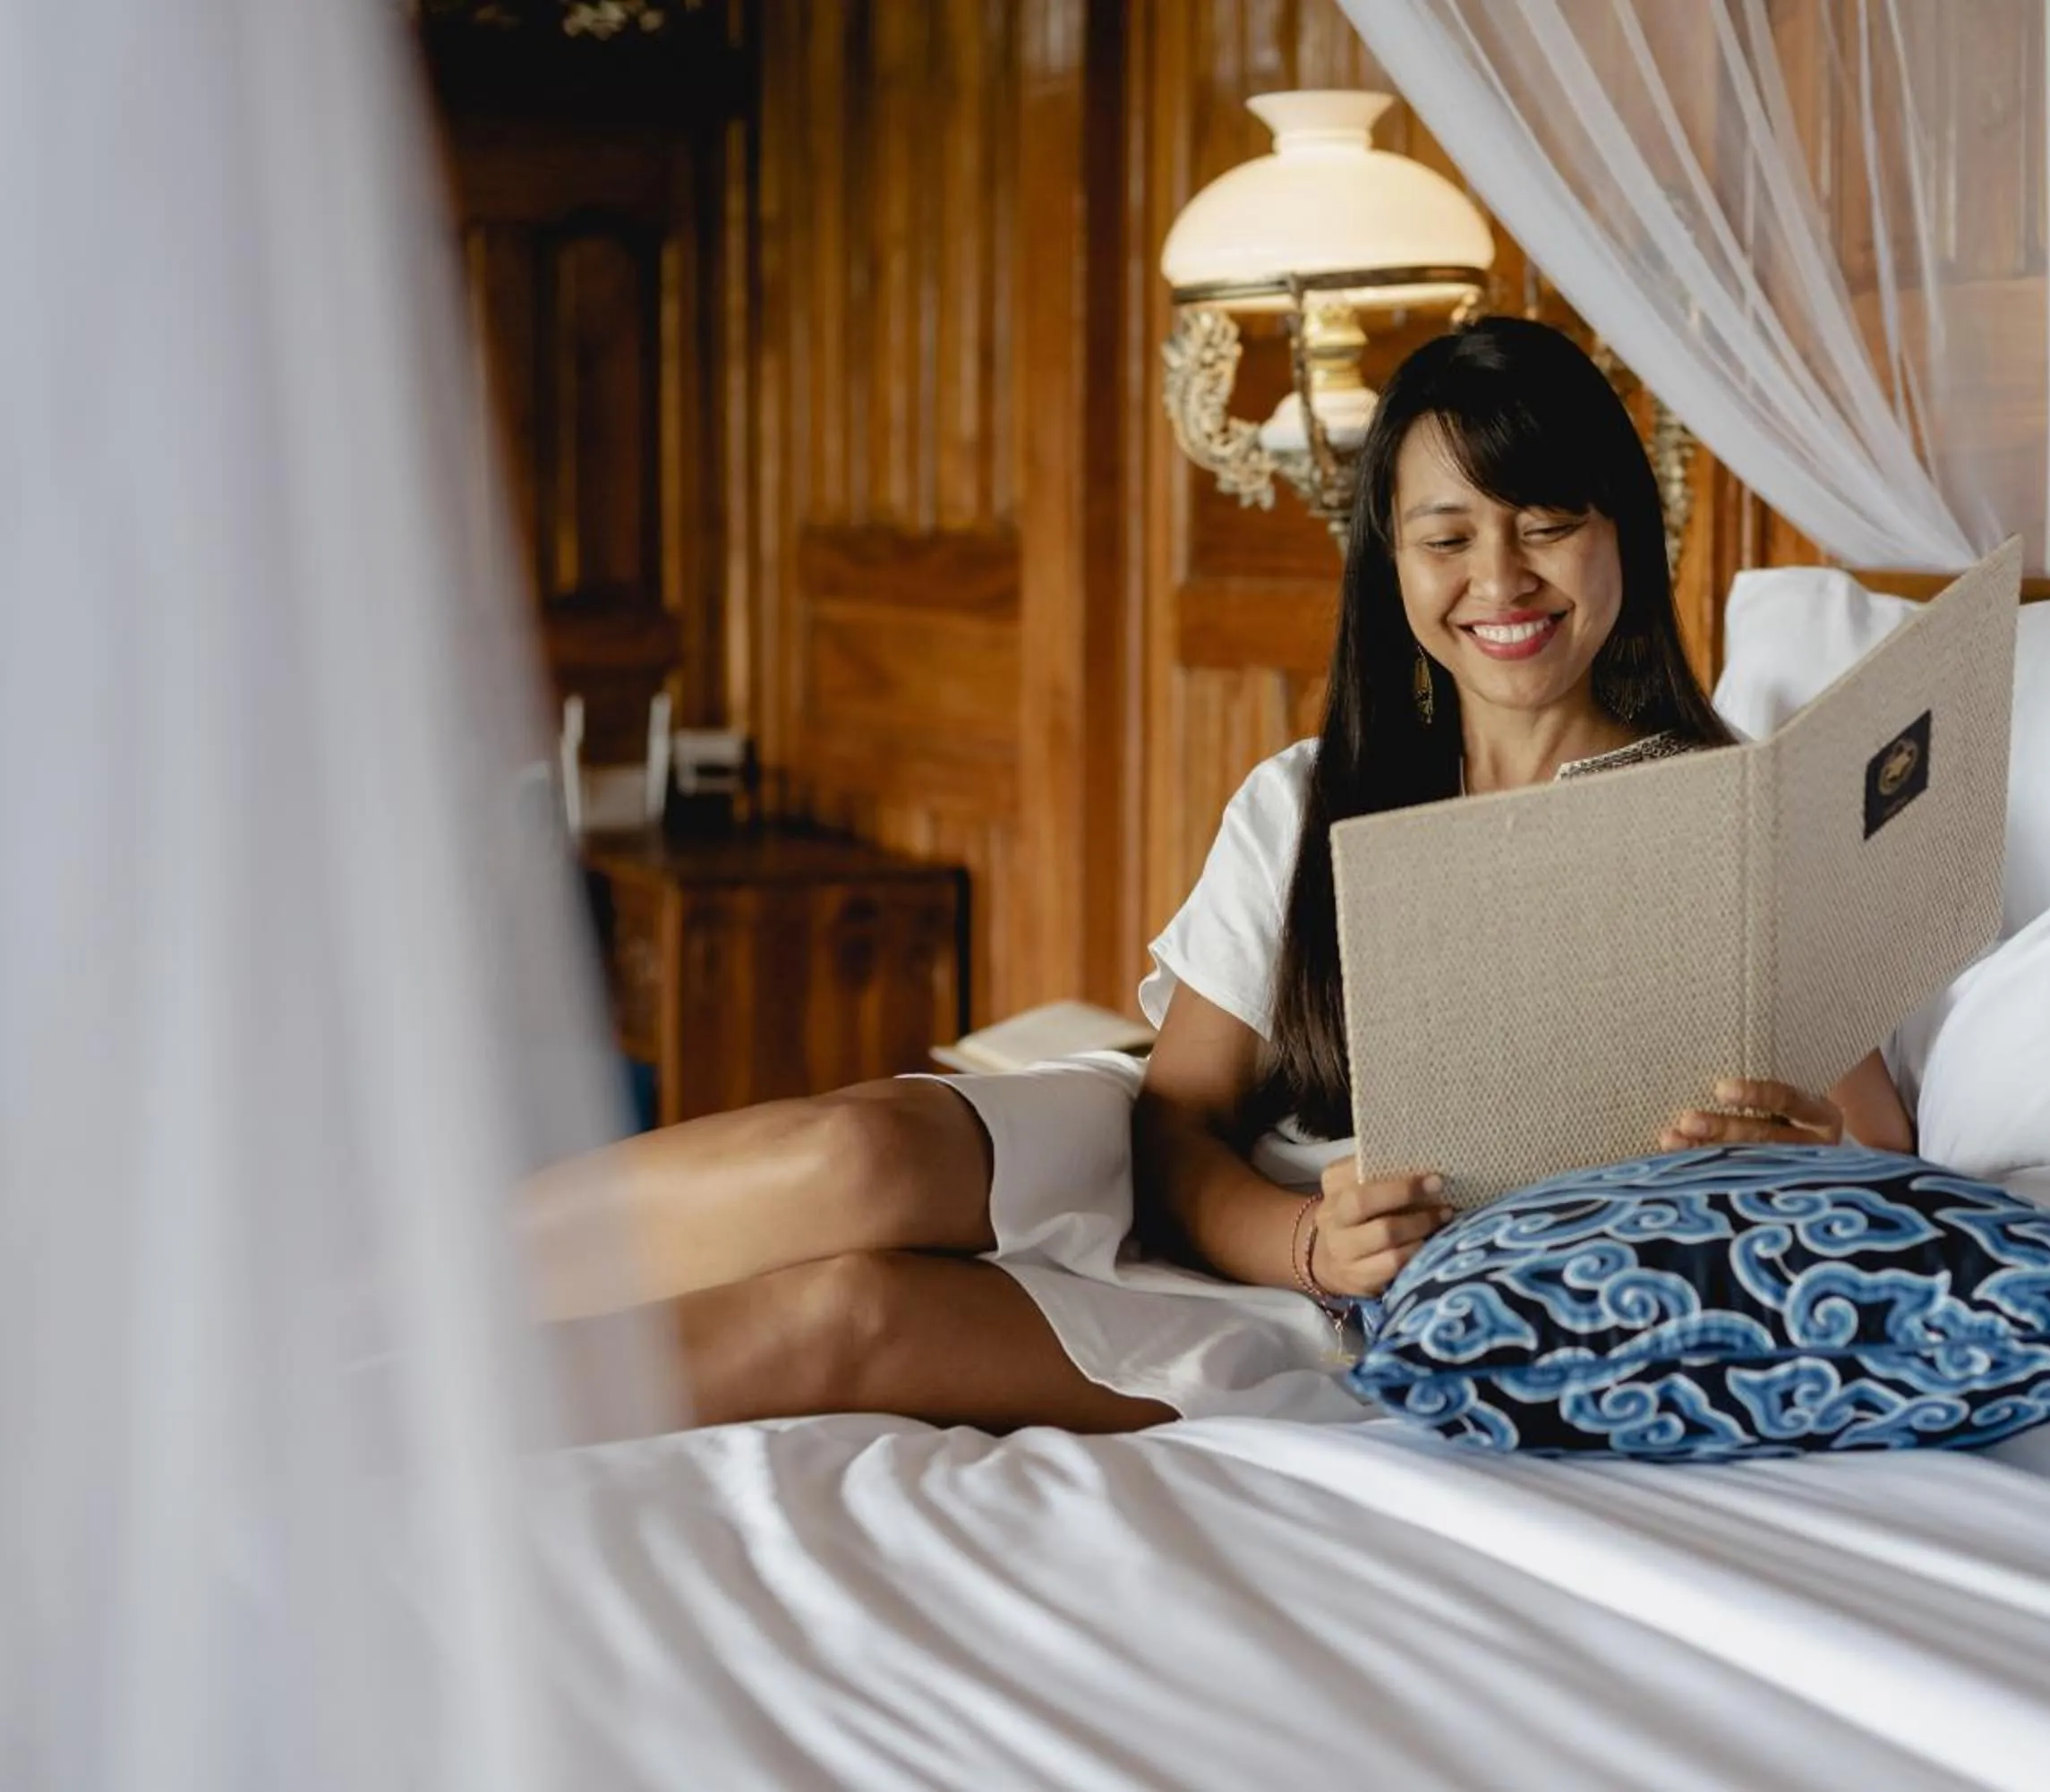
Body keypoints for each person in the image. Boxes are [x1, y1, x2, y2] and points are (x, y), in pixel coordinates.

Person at [531, 316, 1913, 1434]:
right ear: (1391, 563)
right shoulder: (1309, 799)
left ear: (1625, 532)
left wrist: (1795, 1171)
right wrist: (1305, 1234)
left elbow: (1891, 1166)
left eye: (1547, 521)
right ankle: (369, 1282)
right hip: (1246, 1225)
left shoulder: (1742, 823)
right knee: (853, 1152)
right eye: (1447, 536)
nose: (1501, 576)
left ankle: (384, 1424)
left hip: (1342, 1326)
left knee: (844, 1316)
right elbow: (1175, 1125)